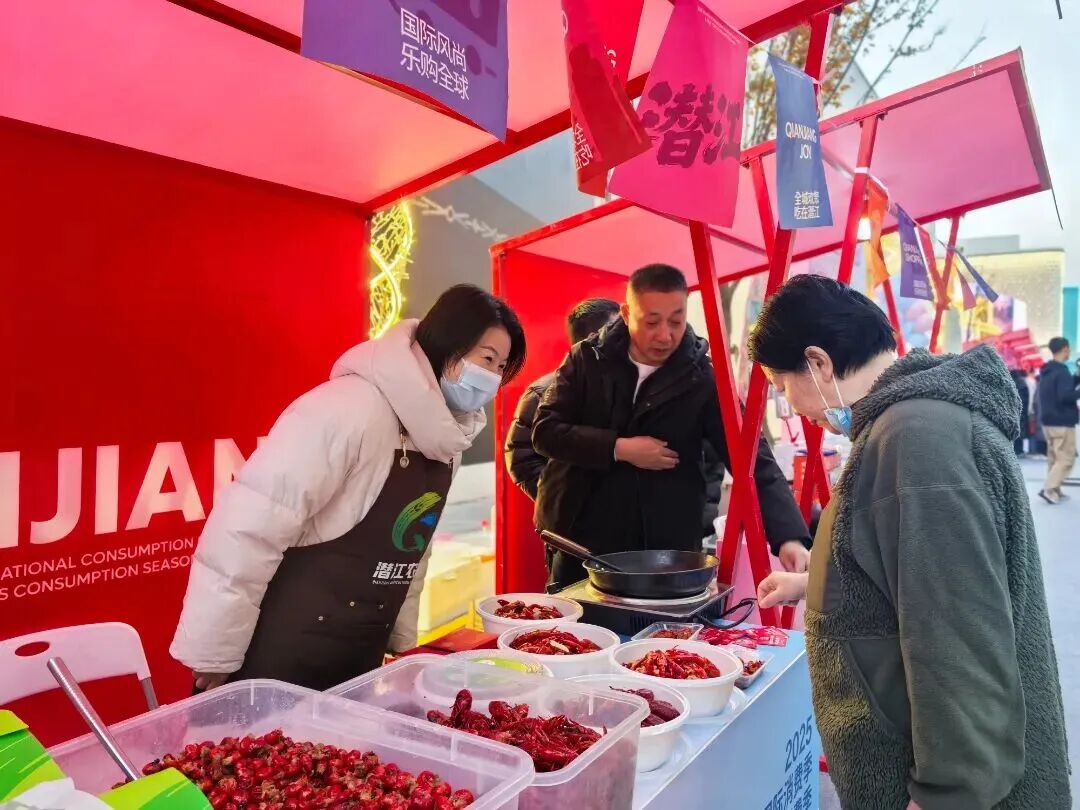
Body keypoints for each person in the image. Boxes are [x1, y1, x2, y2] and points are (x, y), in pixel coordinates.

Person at [751, 275, 1069, 810]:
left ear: (819, 363)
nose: (790, 404)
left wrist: (946, 793)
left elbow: (957, 638)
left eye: (782, 385)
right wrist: (814, 582)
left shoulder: (917, 440)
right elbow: (913, 567)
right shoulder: (908, 425)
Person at [171, 285, 526, 691]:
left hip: (360, 653)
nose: (492, 378)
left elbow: (414, 551)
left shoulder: (445, 442)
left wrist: (402, 645)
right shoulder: (348, 408)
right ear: (447, 343)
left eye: (502, 367)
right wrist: (215, 654)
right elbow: (248, 528)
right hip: (279, 649)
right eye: (487, 359)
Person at [533, 264, 810, 591]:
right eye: (651, 322)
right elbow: (545, 431)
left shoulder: (701, 376)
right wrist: (618, 448)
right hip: (582, 538)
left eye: (676, 321)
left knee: (659, 623)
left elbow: (752, 457)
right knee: (575, 619)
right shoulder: (587, 359)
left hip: (663, 550)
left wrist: (789, 537)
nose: (665, 335)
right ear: (626, 314)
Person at [504, 298, 621, 501]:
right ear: (593, 338)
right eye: (617, 330)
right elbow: (521, 458)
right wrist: (559, 500)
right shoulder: (542, 391)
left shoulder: (630, 383)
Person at [1037, 337, 1080, 504]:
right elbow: (1065, 396)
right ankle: (1048, 488)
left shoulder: (1048, 370)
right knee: (1066, 459)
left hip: (1049, 421)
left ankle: (1055, 491)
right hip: (1062, 421)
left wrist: (1076, 378)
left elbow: (1061, 389)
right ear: (1065, 349)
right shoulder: (1062, 371)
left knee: (1054, 458)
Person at [1010, 368, 1030, 456]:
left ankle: (1016, 450)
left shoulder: (1010, 382)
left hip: (1012, 410)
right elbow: (1025, 398)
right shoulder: (1022, 382)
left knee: (1014, 430)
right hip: (1021, 411)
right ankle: (1019, 450)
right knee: (1019, 430)